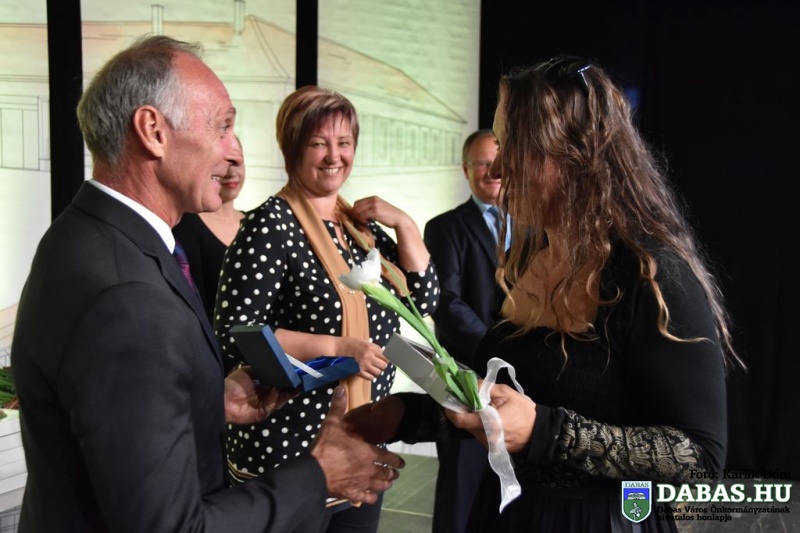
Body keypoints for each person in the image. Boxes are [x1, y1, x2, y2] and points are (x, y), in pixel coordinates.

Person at [10, 35, 404, 533]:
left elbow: (112, 417)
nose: (233, 151)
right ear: (153, 131)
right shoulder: (127, 297)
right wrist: (319, 475)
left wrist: (206, 403)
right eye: (222, 126)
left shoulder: (85, 235)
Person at [345, 55, 740, 532]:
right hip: (511, 511)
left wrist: (545, 432)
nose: (500, 166)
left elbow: (699, 457)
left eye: (515, 145)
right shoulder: (531, 256)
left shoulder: (651, 275)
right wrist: (406, 416)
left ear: (577, 155)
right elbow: (503, 404)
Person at [214, 85, 438, 533]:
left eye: (344, 142)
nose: (334, 155)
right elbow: (239, 330)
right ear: (292, 149)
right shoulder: (270, 224)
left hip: (359, 442)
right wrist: (339, 346)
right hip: (291, 454)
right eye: (319, 143)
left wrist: (405, 224)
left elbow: (421, 298)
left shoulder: (358, 227)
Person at [423, 129, 504, 533]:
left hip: (524, 381)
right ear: (466, 169)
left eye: (497, 163)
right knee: (461, 489)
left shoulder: (535, 226)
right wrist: (499, 350)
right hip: (465, 377)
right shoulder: (444, 228)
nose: (492, 172)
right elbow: (446, 302)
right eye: (482, 164)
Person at [173, 135, 246, 322]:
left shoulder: (256, 223)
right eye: (222, 162)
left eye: (236, 163)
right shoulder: (186, 225)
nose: (231, 172)